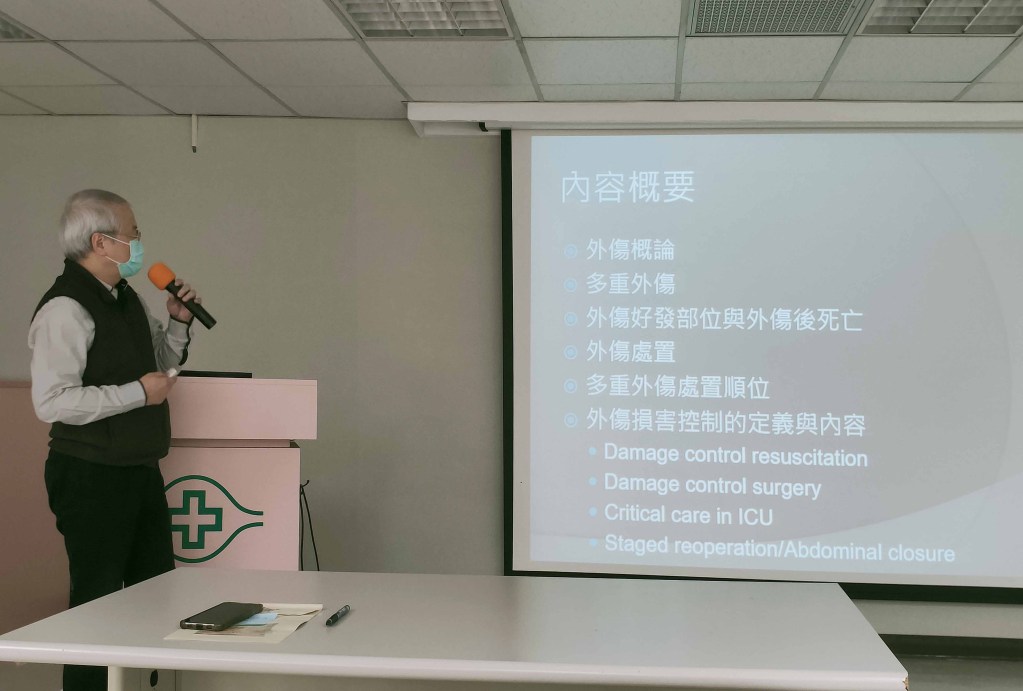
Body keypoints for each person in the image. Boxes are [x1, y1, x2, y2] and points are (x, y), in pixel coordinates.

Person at [28, 189, 201, 691]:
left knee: (154, 595)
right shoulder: (65, 308)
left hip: (138, 467)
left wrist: (179, 321)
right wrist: (136, 394)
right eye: (133, 233)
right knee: (98, 605)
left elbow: (159, 362)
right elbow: (52, 402)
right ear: (100, 243)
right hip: (89, 474)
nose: (140, 241)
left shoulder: (126, 297)